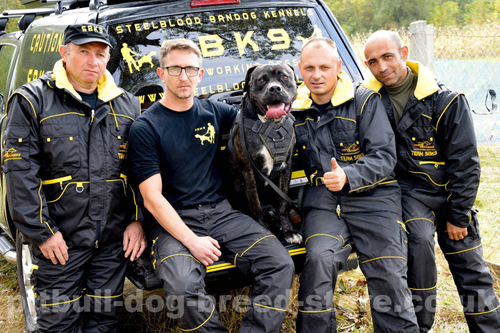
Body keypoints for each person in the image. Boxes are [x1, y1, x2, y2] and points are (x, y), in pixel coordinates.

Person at [128, 38, 295, 333]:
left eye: (191, 69)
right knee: (181, 286)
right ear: (161, 74)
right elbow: (152, 199)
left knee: (279, 264)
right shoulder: (146, 127)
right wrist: (192, 241)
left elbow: (262, 115)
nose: (184, 77)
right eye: (175, 69)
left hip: (222, 214)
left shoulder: (217, 113)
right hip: (172, 222)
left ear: (200, 74)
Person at [2, 23, 146, 332]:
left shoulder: (128, 105)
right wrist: (42, 232)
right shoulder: (31, 101)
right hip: (59, 241)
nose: (93, 62)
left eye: (100, 54)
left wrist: (137, 220)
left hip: (111, 242)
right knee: (58, 323)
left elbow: (138, 172)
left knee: (103, 321)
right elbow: (20, 173)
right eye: (83, 52)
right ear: (64, 52)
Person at [363, 30, 500, 333]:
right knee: (420, 245)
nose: (382, 67)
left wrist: (459, 215)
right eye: (373, 61)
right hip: (411, 195)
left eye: (388, 56)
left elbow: (466, 164)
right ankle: (420, 326)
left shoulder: (447, 100)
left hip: (451, 194)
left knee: (471, 268)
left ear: (404, 52)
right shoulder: (368, 101)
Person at [292, 37, 418, 333]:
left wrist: (349, 176)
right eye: (309, 67)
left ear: (338, 67)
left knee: (388, 272)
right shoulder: (292, 109)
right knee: (319, 261)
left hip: (374, 199)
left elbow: (385, 156)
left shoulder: (364, 100)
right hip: (322, 203)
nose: (317, 75)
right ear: (300, 70)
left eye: (325, 67)